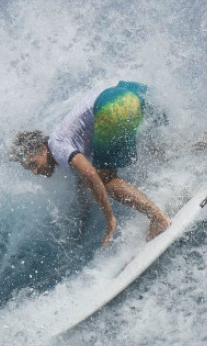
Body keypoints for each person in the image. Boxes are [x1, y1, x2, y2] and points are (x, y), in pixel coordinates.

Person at [10, 81, 171, 249]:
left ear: (43, 149)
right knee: (157, 148)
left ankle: (158, 218)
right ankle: (198, 145)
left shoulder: (57, 146)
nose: (35, 172)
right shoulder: (69, 145)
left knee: (106, 180)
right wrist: (80, 226)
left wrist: (110, 219)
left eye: (32, 164)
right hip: (133, 93)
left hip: (112, 106)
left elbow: (91, 175)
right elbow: (84, 183)